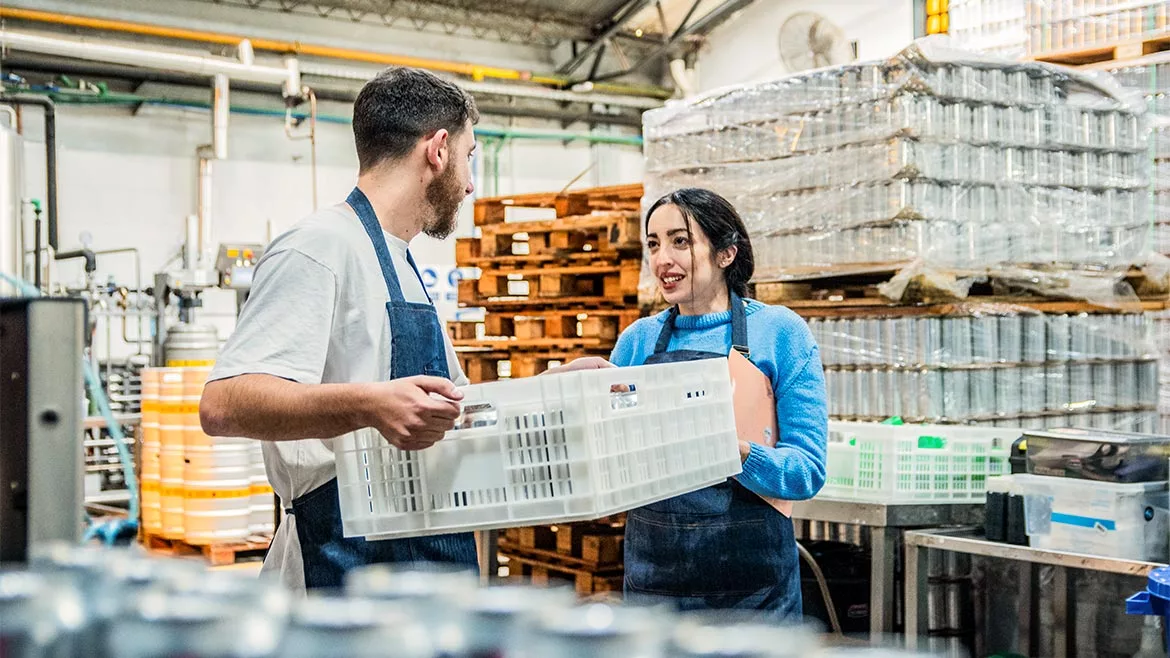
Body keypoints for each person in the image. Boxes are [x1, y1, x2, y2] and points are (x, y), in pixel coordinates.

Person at [198, 67, 486, 593]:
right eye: (470, 158)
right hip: (345, 560)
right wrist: (370, 405)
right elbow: (224, 403)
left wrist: (557, 385)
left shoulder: (400, 262)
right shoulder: (318, 246)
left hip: (422, 548)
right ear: (438, 149)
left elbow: (451, 406)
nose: (469, 184)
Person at [608, 187, 828, 619]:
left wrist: (733, 451)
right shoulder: (637, 342)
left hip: (754, 599)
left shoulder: (780, 333)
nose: (662, 259)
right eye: (653, 244)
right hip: (655, 591)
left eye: (680, 241)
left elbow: (807, 472)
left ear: (727, 253)